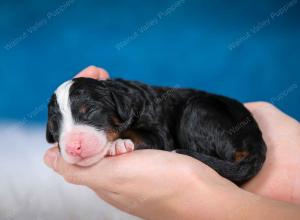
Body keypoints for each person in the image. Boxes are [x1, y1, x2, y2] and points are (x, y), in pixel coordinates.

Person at [44, 66, 300, 220]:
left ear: (117, 105)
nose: (72, 142)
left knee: (194, 113)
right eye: (58, 125)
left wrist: (210, 203)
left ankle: (230, 164)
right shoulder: (120, 106)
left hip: (226, 129)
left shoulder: (134, 105)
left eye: (88, 113)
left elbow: (159, 140)